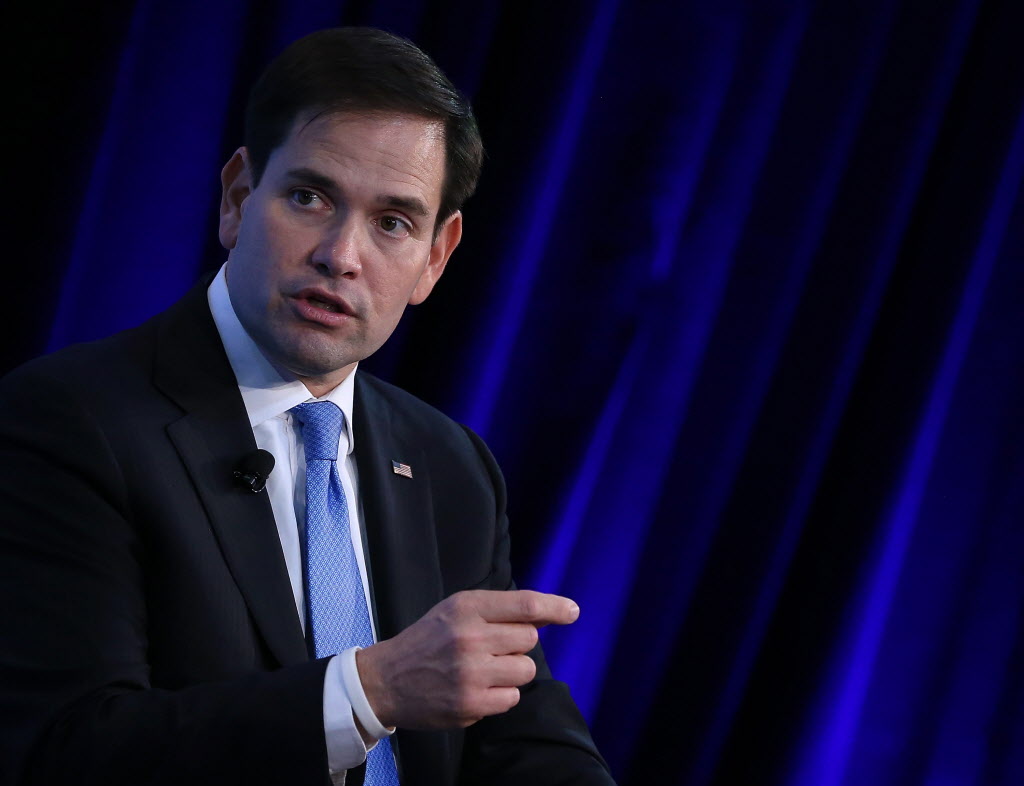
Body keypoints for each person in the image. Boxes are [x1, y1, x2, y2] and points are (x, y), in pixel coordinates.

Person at [0, 27, 614, 786]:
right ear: (237, 197)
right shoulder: (71, 420)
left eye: (393, 222)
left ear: (436, 256)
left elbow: (524, 744)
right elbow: (66, 752)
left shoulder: (452, 465)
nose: (341, 255)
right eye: (309, 197)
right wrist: (372, 691)